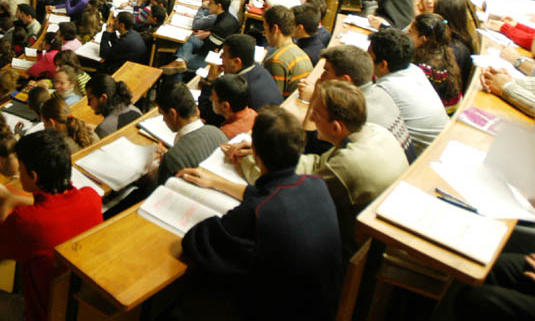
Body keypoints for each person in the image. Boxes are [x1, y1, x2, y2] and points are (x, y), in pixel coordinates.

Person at [174, 107, 343, 321]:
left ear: (255, 153)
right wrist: (217, 183)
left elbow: (195, 241)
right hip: (322, 307)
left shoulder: (256, 212)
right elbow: (271, 193)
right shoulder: (316, 184)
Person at [0, 130, 103, 321]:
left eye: (22, 170)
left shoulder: (26, 222)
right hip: (76, 309)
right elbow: (53, 206)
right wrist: (14, 198)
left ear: (33, 176)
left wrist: (6, 204)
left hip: (41, 313)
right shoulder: (92, 197)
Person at [292, 81, 408, 256]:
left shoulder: (347, 163)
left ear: (336, 127)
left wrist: (261, 158)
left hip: (352, 251)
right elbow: (318, 163)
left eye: (316, 114)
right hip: (380, 236)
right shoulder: (377, 131)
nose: (312, 119)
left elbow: (297, 190)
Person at [298, 45, 415, 163]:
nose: (321, 77)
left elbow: (310, 151)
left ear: (345, 80)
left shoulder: (350, 109)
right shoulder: (380, 92)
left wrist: (315, 99)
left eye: (326, 71)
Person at [369, 28, 450, 152]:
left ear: (383, 65)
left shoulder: (386, 89)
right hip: (442, 143)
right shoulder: (413, 69)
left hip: (421, 159)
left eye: (368, 55)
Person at [155, 83, 227, 184]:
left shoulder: (172, 159)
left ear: (172, 114)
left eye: (162, 114)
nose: (163, 120)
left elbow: (159, 192)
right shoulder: (219, 133)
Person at [162, 0, 239, 75]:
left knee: (178, 69)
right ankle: (181, 60)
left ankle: (180, 63)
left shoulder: (222, 26)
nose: (208, 5)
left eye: (210, 3)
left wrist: (203, 36)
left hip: (214, 58)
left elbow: (208, 48)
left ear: (219, 6)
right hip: (212, 47)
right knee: (189, 38)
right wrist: (206, 34)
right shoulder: (226, 16)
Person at [409, 13, 463, 114]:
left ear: (423, 39)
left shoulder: (423, 68)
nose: (407, 35)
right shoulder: (443, 50)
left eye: (410, 32)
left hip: (443, 112)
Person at [262, 6, 313, 98]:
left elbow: (272, 98)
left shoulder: (276, 61)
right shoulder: (303, 55)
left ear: (274, 29)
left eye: (265, 27)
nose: (263, 33)